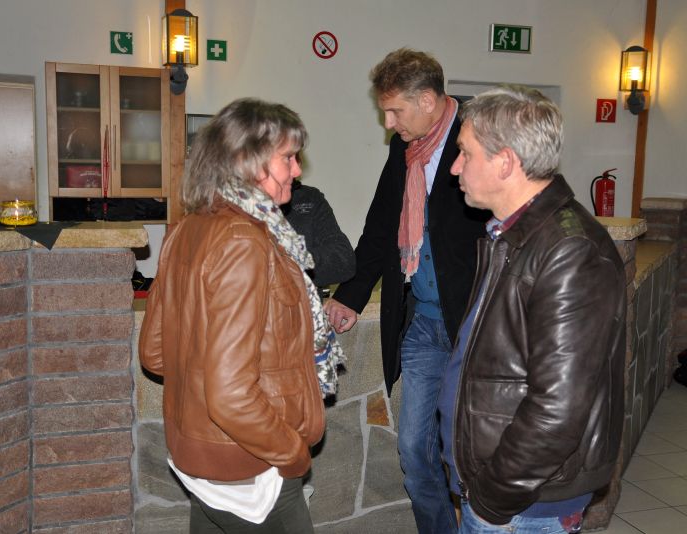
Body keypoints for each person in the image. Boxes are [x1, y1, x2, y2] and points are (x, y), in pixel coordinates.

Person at [139, 98, 343, 533]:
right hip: (250, 466)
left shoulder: (188, 228)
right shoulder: (244, 240)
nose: (297, 170)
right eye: (288, 157)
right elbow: (231, 395)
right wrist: (292, 453)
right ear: (248, 162)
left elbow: (155, 354)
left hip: (200, 455)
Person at [437, 84, 626, 533]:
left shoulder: (569, 249)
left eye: (465, 152)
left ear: (505, 162)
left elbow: (559, 408)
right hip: (505, 494)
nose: (455, 166)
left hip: (523, 505)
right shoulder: (512, 235)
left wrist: (492, 499)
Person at [324, 48, 488, 533]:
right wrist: (351, 294)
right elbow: (381, 225)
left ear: (428, 101)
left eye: (395, 111)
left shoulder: (481, 136)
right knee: (415, 449)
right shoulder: (405, 149)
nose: (388, 123)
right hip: (422, 322)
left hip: (473, 324)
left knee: (468, 454)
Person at [282, 177, 356, 288]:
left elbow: (343, 259)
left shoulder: (308, 197)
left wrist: (286, 263)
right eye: (287, 161)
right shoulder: (253, 206)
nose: (297, 171)